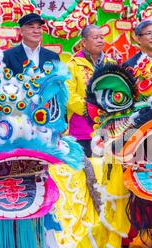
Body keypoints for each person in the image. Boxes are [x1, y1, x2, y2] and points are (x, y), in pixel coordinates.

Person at [66, 24, 115, 157]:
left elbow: (118, 91)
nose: (100, 40)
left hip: (107, 126)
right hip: (81, 127)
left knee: (107, 168)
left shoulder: (111, 64)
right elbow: (69, 96)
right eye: (95, 37)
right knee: (86, 169)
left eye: (102, 37)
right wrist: (91, 110)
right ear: (84, 42)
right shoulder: (73, 65)